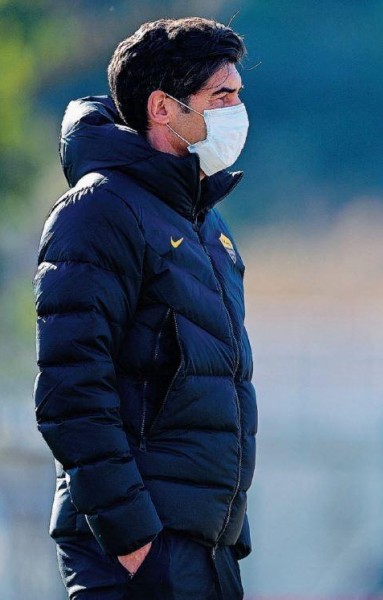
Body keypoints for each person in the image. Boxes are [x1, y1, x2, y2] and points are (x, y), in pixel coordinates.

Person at [34, 17, 256, 599]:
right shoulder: (99, 211)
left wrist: (227, 536)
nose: (237, 111)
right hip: (139, 548)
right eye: (221, 97)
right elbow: (71, 390)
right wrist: (133, 540)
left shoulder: (205, 222)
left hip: (204, 545)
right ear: (163, 107)